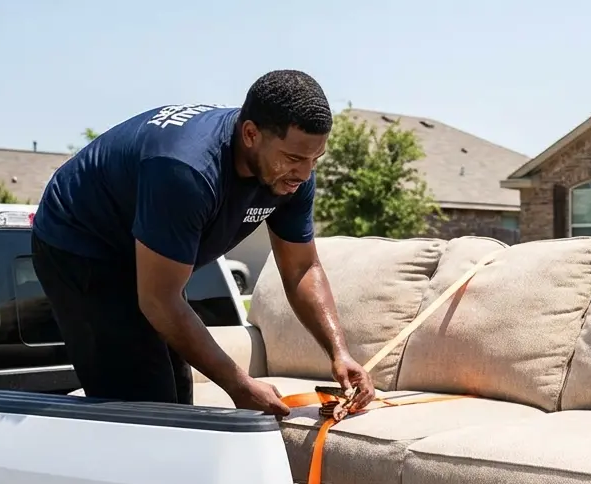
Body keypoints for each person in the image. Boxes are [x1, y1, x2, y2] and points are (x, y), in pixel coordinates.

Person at [30, 69, 374, 416]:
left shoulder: (293, 177)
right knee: (149, 407)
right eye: (295, 158)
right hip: (81, 244)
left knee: (177, 399)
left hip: (146, 250)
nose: (304, 173)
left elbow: (301, 268)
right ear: (251, 134)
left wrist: (338, 352)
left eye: (315, 159)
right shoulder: (187, 170)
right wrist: (239, 385)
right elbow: (159, 300)